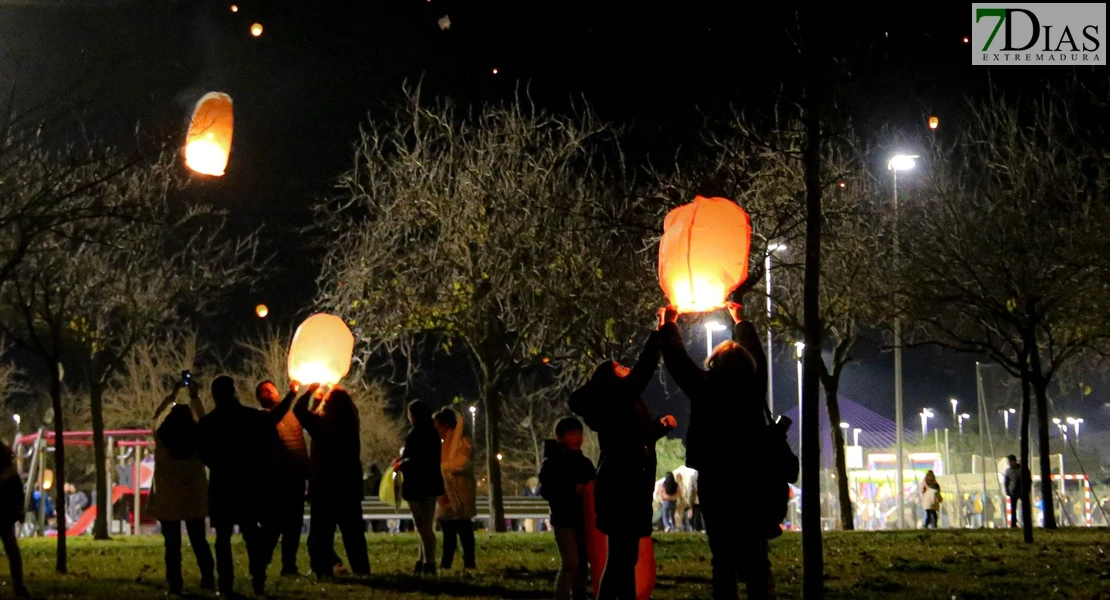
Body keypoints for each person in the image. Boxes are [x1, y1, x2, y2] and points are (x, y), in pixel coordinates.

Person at [657, 302, 779, 600]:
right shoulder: (754, 386)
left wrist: (669, 323)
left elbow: (677, 360)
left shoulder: (704, 387)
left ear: (714, 362)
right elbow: (758, 355)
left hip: (716, 480)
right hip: (751, 479)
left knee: (722, 558)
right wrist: (740, 320)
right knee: (755, 556)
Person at [569, 331, 674, 600]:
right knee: (620, 557)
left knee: (625, 557)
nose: (626, 368)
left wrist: (659, 427)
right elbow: (645, 367)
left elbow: (635, 437)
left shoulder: (624, 402)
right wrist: (661, 333)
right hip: (621, 486)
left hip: (629, 484)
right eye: (619, 367)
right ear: (610, 379)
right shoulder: (617, 397)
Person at [196, 375, 283, 596]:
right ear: (233, 391)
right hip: (248, 483)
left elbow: (203, 453)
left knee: (222, 537)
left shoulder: (208, 423)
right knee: (252, 533)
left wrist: (218, 464)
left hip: (222, 483)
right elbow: (269, 436)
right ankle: (258, 577)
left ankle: (226, 582)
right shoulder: (251, 417)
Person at [293, 386, 371, 580]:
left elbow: (299, 411)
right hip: (349, 487)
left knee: (321, 533)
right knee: (353, 533)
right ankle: (362, 569)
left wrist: (311, 391)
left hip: (325, 487)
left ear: (329, 405)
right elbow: (314, 415)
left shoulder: (322, 425)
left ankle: (322, 569)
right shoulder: (351, 423)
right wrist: (322, 399)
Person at [147, 383, 215, 595]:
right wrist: (194, 397)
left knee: (172, 547)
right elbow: (205, 422)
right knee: (199, 541)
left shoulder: (162, 443)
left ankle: (175, 584)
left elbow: (155, 420)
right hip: (193, 499)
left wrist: (172, 397)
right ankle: (208, 579)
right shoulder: (198, 441)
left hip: (169, 502)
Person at [256, 380, 310, 576]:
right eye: (264, 391)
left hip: (296, 478)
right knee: (274, 525)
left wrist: (312, 391)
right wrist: (294, 392)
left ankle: (289, 566)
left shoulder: (292, 415)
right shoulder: (264, 417)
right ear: (260, 398)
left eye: (271, 389)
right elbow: (278, 414)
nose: (269, 392)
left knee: (294, 526)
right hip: (277, 481)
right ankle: (261, 562)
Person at [539, 417, 596, 600]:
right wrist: (572, 489)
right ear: (560, 437)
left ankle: (580, 596)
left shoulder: (585, 463)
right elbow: (548, 489)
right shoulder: (552, 463)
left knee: (582, 563)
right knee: (571, 562)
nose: (578, 438)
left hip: (583, 519)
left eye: (580, 434)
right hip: (564, 520)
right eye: (572, 434)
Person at [393, 400, 445, 576]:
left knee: (422, 525)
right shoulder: (433, 433)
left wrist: (401, 464)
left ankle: (429, 563)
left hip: (416, 484)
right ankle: (422, 561)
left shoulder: (415, 434)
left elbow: (414, 459)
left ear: (413, 415)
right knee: (426, 525)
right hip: (431, 483)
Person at [433, 407, 477, 570]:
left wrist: (441, 467)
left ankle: (467, 562)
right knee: (449, 529)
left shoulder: (460, 440)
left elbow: (461, 463)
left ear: (445, 425)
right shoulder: (448, 441)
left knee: (463, 528)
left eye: (438, 427)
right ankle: (449, 562)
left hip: (460, 491)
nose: (437, 431)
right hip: (449, 491)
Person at [0, 443, 28, 598]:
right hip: (6, 517)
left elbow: (17, 495)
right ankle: (18, 585)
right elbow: (18, 495)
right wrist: (18, 512)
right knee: (12, 551)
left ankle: (19, 585)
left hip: (5, 516)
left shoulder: (10, 476)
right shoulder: (11, 475)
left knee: (12, 551)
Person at [1004, 455, 1023, 528]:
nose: (1009, 463)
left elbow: (1028, 480)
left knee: (1023, 508)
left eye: (1010, 461)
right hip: (1013, 492)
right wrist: (1007, 492)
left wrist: (1027, 490)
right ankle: (1013, 524)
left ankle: (1024, 522)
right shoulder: (1008, 471)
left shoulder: (1022, 469)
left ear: (1014, 461)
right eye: (1008, 462)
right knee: (1013, 509)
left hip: (1022, 492)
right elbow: (1006, 482)